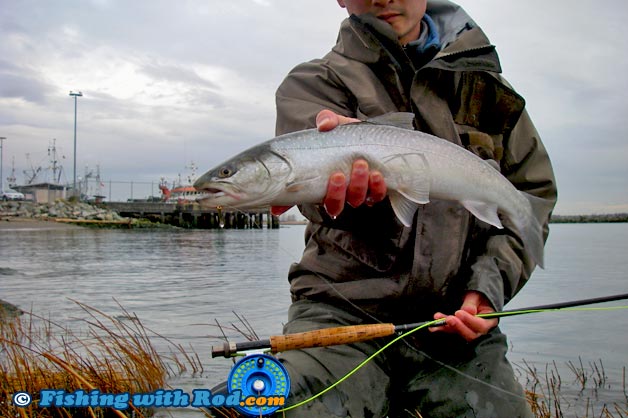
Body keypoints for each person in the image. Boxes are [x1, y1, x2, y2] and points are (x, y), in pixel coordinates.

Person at [270, 1, 557, 417]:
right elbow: (313, 201)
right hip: (337, 313)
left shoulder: (490, 89)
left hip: (457, 329)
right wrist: (348, 177)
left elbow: (534, 190)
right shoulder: (312, 83)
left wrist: (487, 290)